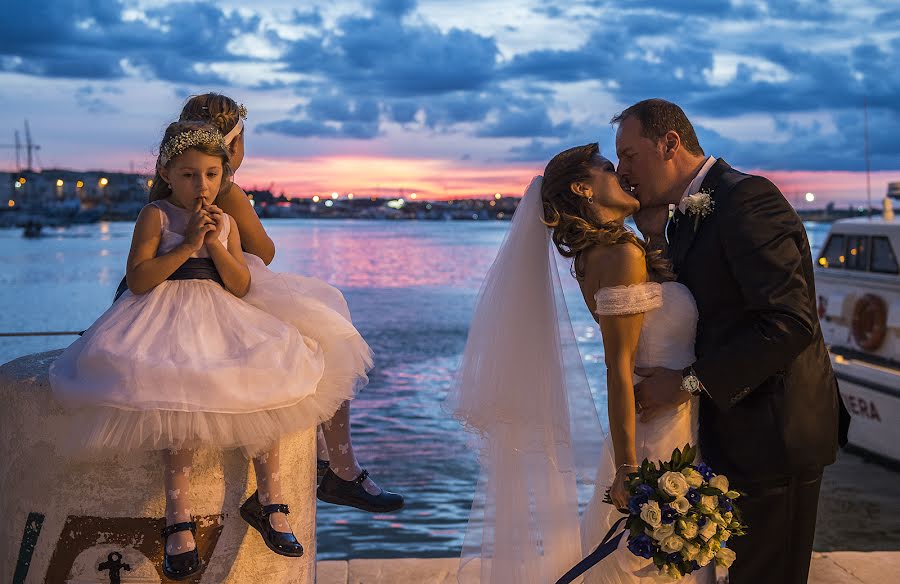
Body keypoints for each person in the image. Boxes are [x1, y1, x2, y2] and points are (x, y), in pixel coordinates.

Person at [50, 121, 369, 580]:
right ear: (166, 172)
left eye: (212, 175)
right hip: (165, 313)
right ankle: (177, 520)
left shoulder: (228, 219)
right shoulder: (155, 216)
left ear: (224, 177)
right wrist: (190, 245)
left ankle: (270, 501)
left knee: (267, 380)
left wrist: (217, 244)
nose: (201, 186)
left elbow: (239, 285)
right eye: (189, 175)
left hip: (221, 311)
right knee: (175, 395)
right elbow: (140, 279)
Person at [447, 142, 712, 583]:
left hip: (673, 413)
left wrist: (653, 235)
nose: (623, 174)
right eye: (609, 167)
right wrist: (629, 467)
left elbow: (655, 312)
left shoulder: (614, 251)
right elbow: (619, 367)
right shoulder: (619, 255)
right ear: (582, 188)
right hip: (657, 427)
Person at [615, 98, 849, 584]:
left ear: (669, 143)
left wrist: (687, 384)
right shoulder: (684, 215)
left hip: (775, 435)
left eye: (629, 155)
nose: (622, 171)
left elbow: (789, 321)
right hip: (732, 437)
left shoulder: (748, 200)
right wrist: (655, 233)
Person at [178, 93, 403, 513]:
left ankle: (326, 458)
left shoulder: (170, 187)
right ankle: (340, 465)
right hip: (230, 285)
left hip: (190, 289)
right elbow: (263, 251)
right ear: (234, 144)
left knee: (323, 310)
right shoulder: (227, 189)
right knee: (331, 328)